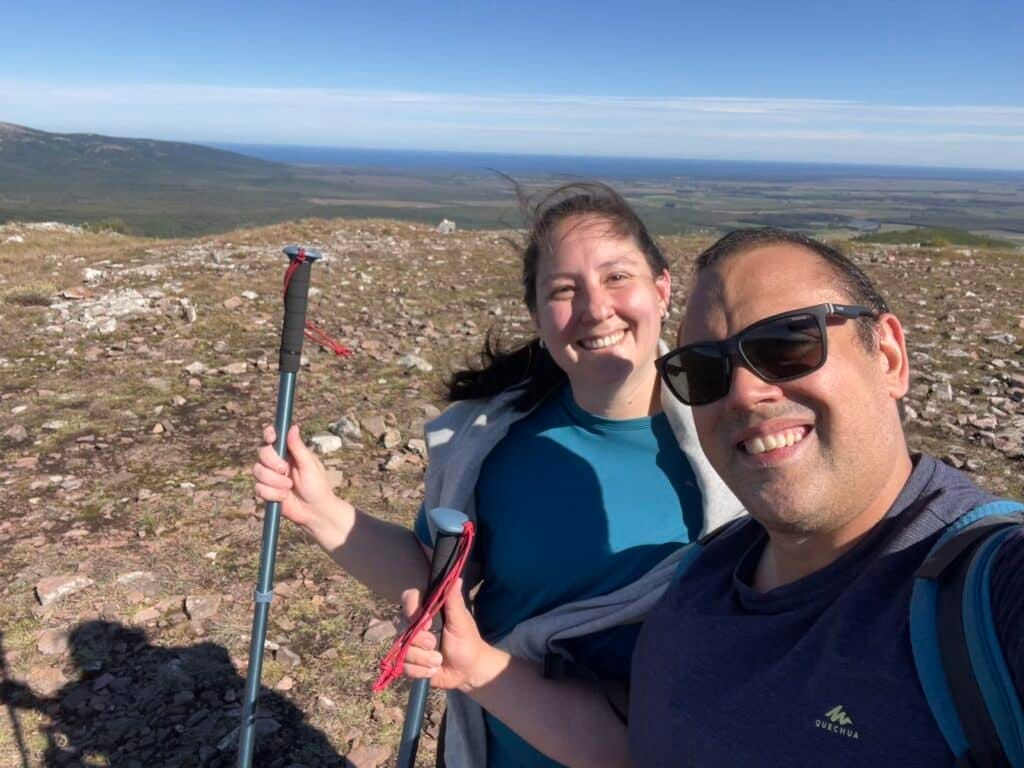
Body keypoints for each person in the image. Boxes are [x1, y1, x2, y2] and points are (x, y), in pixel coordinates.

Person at [252, 182, 743, 767]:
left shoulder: (735, 444)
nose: (595, 308)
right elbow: (440, 583)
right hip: (501, 747)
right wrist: (322, 510)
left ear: (662, 289)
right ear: (538, 316)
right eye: (564, 290)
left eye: (617, 277)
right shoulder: (494, 445)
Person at [627, 228, 1024, 766]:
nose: (744, 393)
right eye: (704, 370)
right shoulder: (699, 572)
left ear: (887, 357)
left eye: (787, 344)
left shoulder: (991, 590)